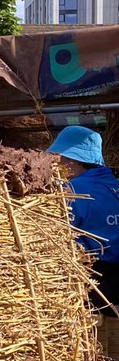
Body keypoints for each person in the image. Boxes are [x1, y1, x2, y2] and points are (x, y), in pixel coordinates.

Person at [47, 126, 119, 311]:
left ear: (72, 161)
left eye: (59, 158)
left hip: (96, 286)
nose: (56, 165)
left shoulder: (71, 191)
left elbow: (58, 241)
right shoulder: (115, 185)